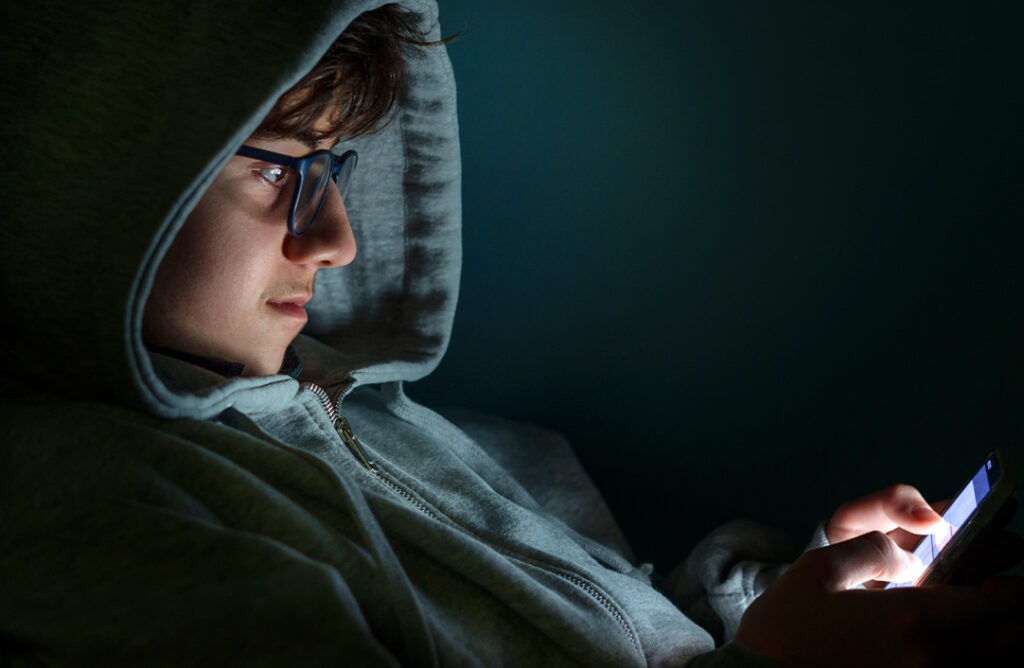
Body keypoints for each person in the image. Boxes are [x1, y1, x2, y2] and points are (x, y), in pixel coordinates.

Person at [1, 1, 1021, 665]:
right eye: (276, 168)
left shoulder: (391, 420)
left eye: (339, 170)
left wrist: (784, 602)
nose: (339, 242)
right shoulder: (88, 507)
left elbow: (616, 634)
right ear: (88, 177)